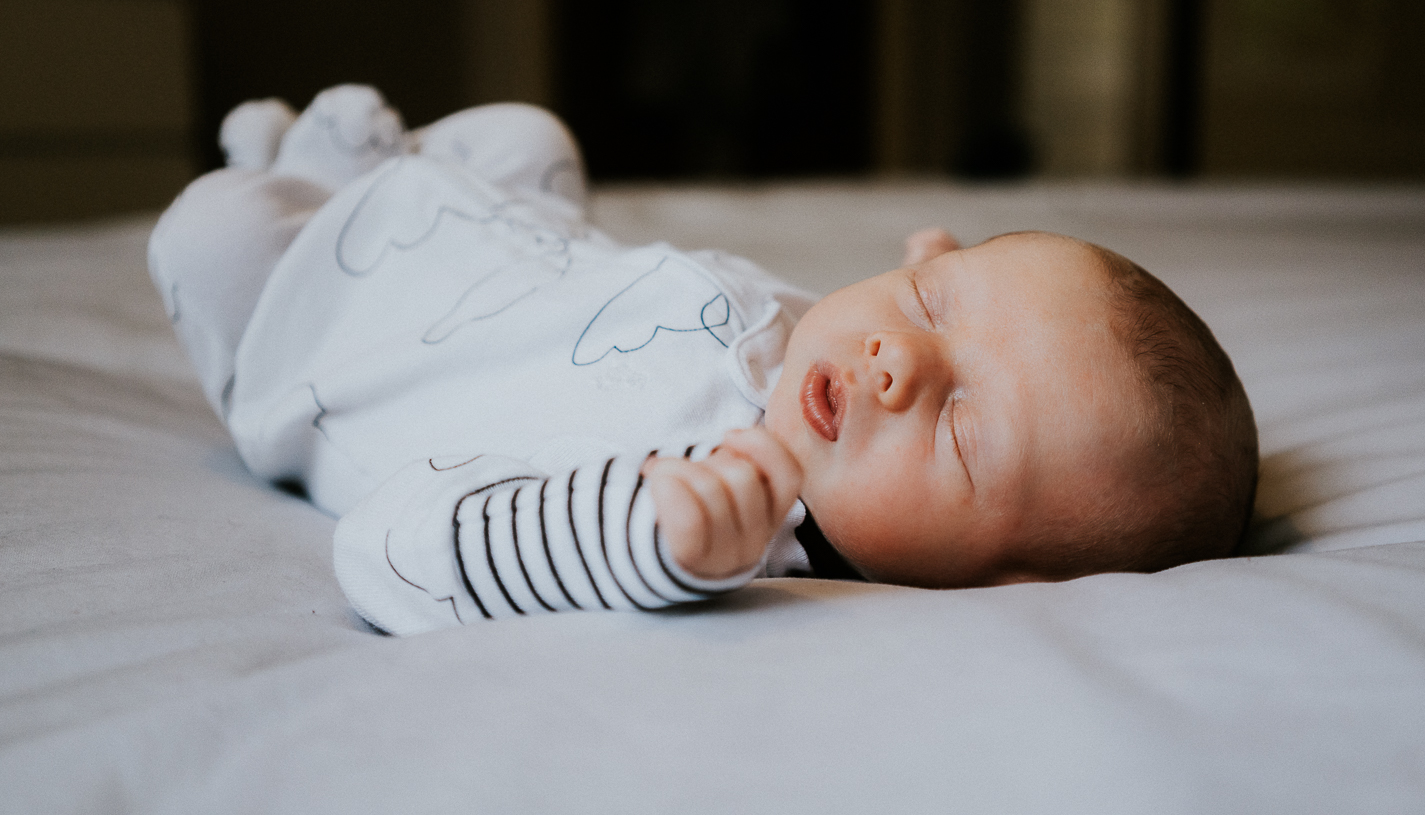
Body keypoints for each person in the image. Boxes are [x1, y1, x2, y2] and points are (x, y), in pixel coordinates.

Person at [149, 85, 1258, 635]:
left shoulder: (717, 520)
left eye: (964, 426)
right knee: (532, 137)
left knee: (211, 234)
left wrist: (645, 542)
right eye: (931, 303)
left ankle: (298, 175)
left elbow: (388, 549)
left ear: (1007, 587)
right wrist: (939, 275)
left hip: (335, 336)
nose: (897, 360)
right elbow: (937, 323)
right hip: (500, 248)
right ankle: (347, 173)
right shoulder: (835, 357)